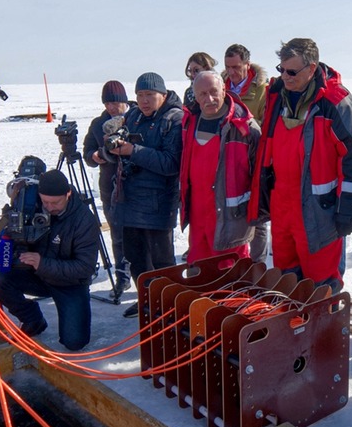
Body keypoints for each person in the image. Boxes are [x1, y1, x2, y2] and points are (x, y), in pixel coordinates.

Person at [248, 38, 352, 292]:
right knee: (286, 277)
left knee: (320, 281)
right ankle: (292, 329)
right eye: (281, 69)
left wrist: (348, 208)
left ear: (312, 69)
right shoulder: (277, 96)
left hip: (318, 211)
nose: (285, 77)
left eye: (292, 71)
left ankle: (323, 329)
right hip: (282, 206)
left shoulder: (335, 102)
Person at [0, 169, 100, 351]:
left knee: (74, 342)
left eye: (55, 202)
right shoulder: (32, 206)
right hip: (37, 275)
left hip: (70, 283)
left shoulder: (84, 220)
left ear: (68, 194)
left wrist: (42, 263)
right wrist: (9, 229)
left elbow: (85, 268)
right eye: (45, 201)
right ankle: (32, 318)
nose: (49, 207)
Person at [108, 72, 183, 318]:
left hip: (158, 202)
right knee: (135, 257)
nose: (144, 100)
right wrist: (111, 149)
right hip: (129, 199)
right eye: (140, 95)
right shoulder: (133, 116)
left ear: (163, 94)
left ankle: (170, 307)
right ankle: (148, 301)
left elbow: (171, 163)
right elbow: (119, 145)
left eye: (149, 94)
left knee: (162, 261)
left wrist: (133, 150)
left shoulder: (174, 119)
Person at [180, 71, 260, 264]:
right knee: (199, 269)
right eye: (202, 94)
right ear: (195, 96)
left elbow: (261, 176)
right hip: (199, 214)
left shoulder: (244, 127)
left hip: (231, 217)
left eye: (214, 92)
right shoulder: (189, 122)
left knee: (231, 272)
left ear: (224, 89)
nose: (209, 99)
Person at [83, 80, 132, 296]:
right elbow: (88, 151)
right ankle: (122, 277)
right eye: (107, 103)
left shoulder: (137, 117)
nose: (111, 107)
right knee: (117, 233)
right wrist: (93, 157)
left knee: (140, 234)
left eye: (115, 102)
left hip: (136, 183)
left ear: (124, 100)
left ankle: (146, 278)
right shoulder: (97, 124)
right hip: (110, 185)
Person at [224, 43, 271, 262]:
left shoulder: (262, 91)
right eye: (228, 67)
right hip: (227, 161)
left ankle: (258, 263)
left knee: (257, 215)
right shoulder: (220, 89)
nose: (231, 72)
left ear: (247, 65)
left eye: (236, 67)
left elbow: (267, 124)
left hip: (254, 159)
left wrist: (245, 128)